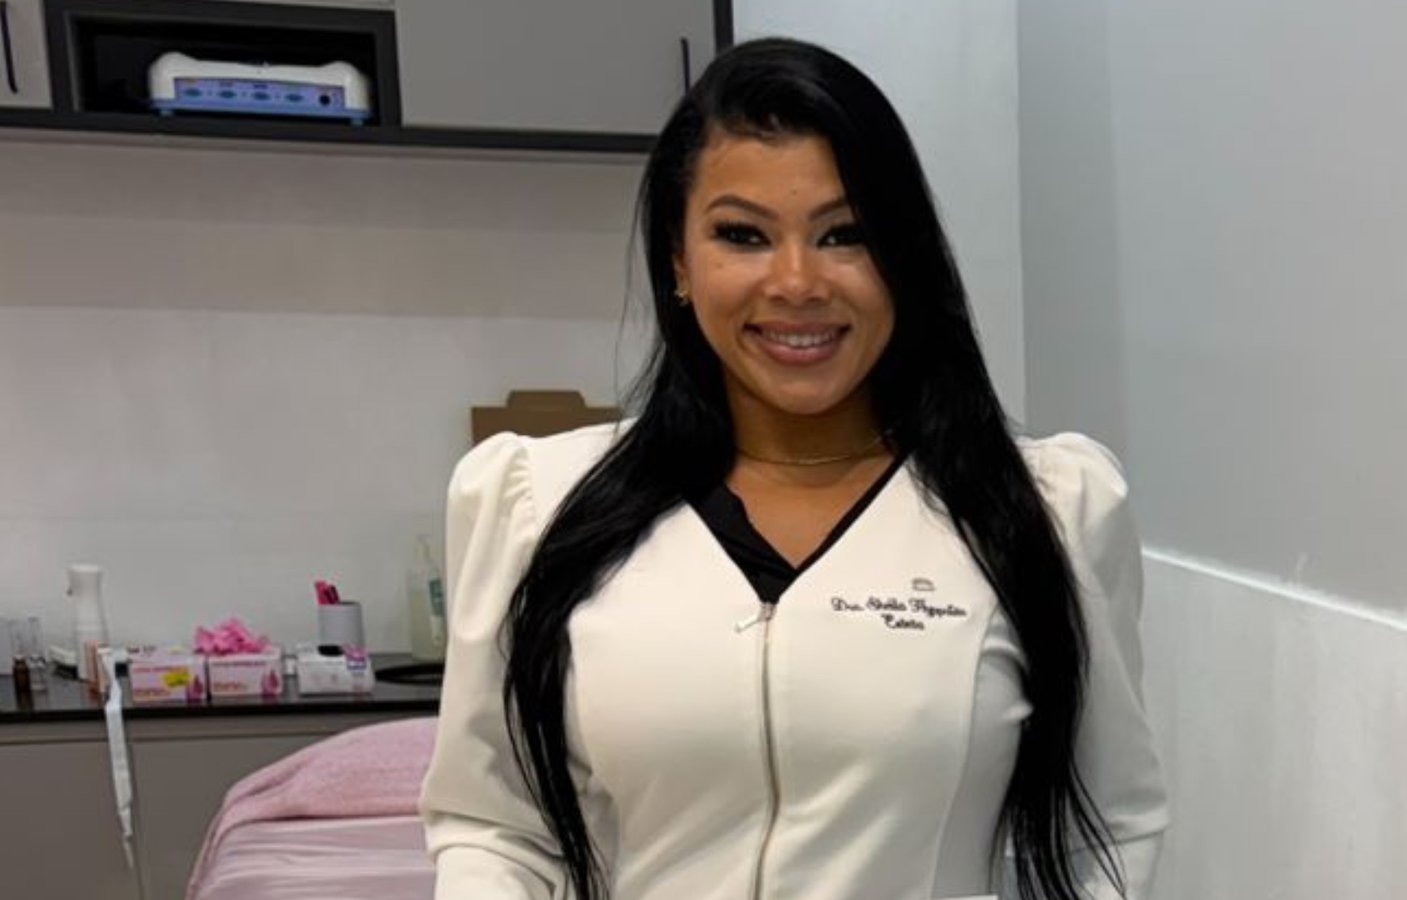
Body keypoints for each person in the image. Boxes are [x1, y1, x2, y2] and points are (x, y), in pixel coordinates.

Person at [419, 37, 1169, 900]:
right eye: (742, 236)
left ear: (903, 259)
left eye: (845, 235)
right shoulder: (536, 505)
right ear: (679, 261)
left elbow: (1107, 828)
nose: (797, 282)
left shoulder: (1046, 512)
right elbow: (497, 828)